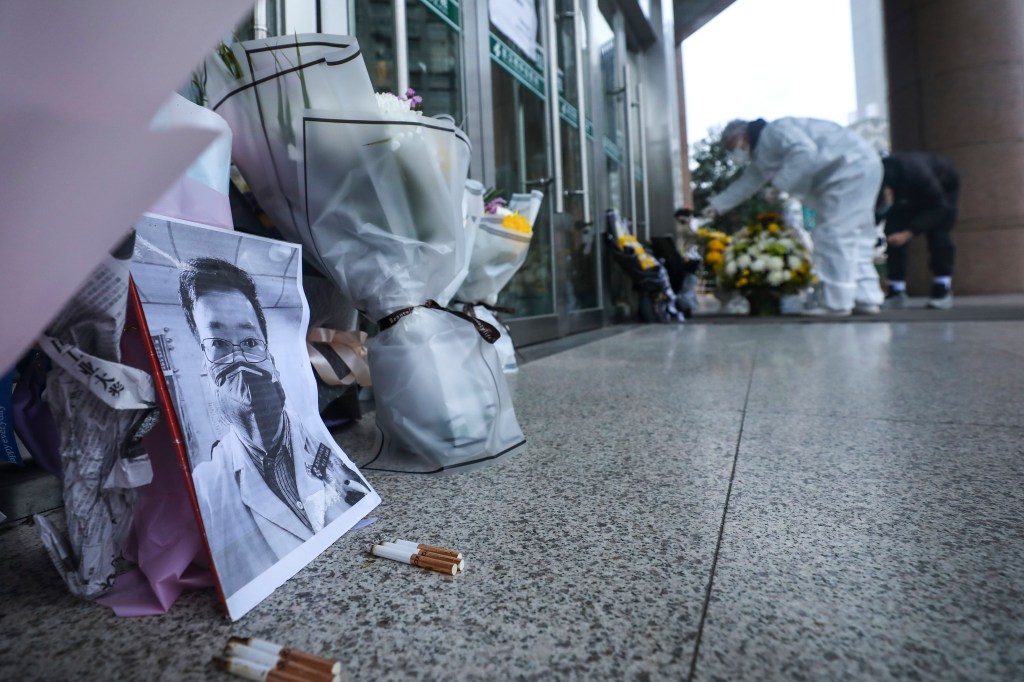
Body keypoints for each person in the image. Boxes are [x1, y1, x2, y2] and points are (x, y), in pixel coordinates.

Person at [179, 257, 370, 595]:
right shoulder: (208, 488)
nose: (238, 359)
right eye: (219, 344)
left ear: (270, 354)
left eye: (250, 343)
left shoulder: (318, 440)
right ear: (203, 362)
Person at [703, 118, 885, 316]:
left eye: (733, 145)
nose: (735, 151)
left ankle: (837, 303)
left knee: (834, 234)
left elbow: (804, 152)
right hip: (858, 165)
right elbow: (746, 185)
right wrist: (716, 206)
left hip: (845, 168)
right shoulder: (761, 155)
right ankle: (865, 297)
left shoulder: (774, 131)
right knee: (856, 235)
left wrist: (778, 185)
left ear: (742, 135)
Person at [876, 151, 960, 309]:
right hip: (904, 191)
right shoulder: (878, 177)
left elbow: (939, 207)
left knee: (939, 234)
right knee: (894, 232)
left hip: (942, 189)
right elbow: (878, 213)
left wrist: (909, 233)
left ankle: (942, 287)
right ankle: (896, 289)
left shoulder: (918, 175)